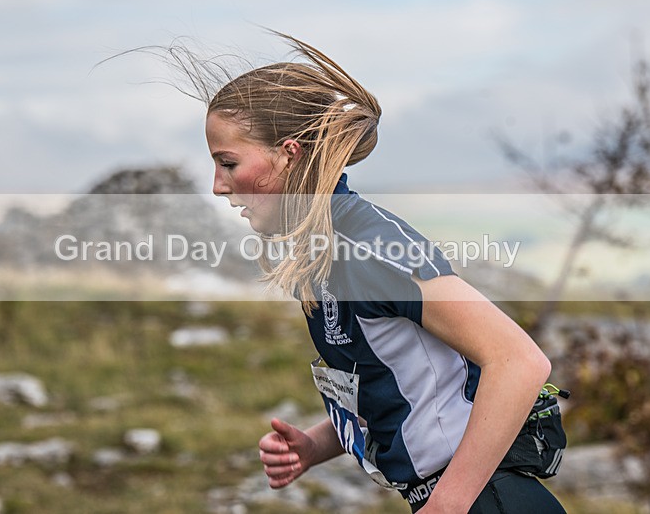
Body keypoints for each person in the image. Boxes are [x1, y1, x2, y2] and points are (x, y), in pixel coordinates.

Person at [194, 31, 566, 513]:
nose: (218, 186)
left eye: (228, 163)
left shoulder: (367, 246)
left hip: (489, 499)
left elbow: (519, 362)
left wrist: (447, 505)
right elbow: (401, 383)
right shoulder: (321, 253)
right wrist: (316, 446)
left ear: (290, 153)